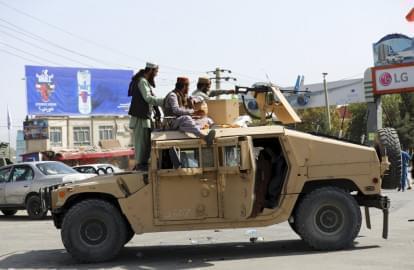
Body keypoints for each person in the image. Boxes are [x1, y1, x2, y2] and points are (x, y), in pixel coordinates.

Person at [128, 62, 163, 171]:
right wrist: (166, 101)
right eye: (156, 72)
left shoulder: (145, 82)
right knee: (141, 149)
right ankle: (140, 170)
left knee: (146, 148)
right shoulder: (142, 81)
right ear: (151, 70)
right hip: (140, 119)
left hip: (145, 119)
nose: (156, 74)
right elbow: (148, 98)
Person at [164, 77, 215, 145]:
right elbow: (176, 110)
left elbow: (199, 97)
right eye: (188, 86)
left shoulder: (184, 96)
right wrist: (192, 112)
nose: (189, 89)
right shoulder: (172, 96)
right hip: (172, 121)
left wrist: (193, 101)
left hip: (181, 121)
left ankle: (186, 128)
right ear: (184, 86)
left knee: (207, 120)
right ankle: (204, 137)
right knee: (187, 118)